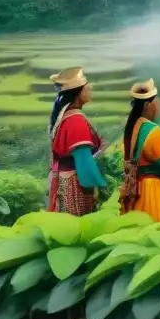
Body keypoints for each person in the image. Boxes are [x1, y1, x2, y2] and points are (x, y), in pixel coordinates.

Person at [119, 79, 160, 221]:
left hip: (136, 193)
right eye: (156, 100)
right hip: (154, 192)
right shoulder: (154, 132)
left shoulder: (131, 129)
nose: (159, 104)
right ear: (149, 105)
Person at [47, 68, 109, 215]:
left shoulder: (66, 115)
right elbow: (84, 161)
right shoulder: (76, 121)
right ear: (78, 93)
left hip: (64, 180)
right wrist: (100, 188)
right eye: (86, 83)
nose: (90, 87)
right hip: (75, 185)